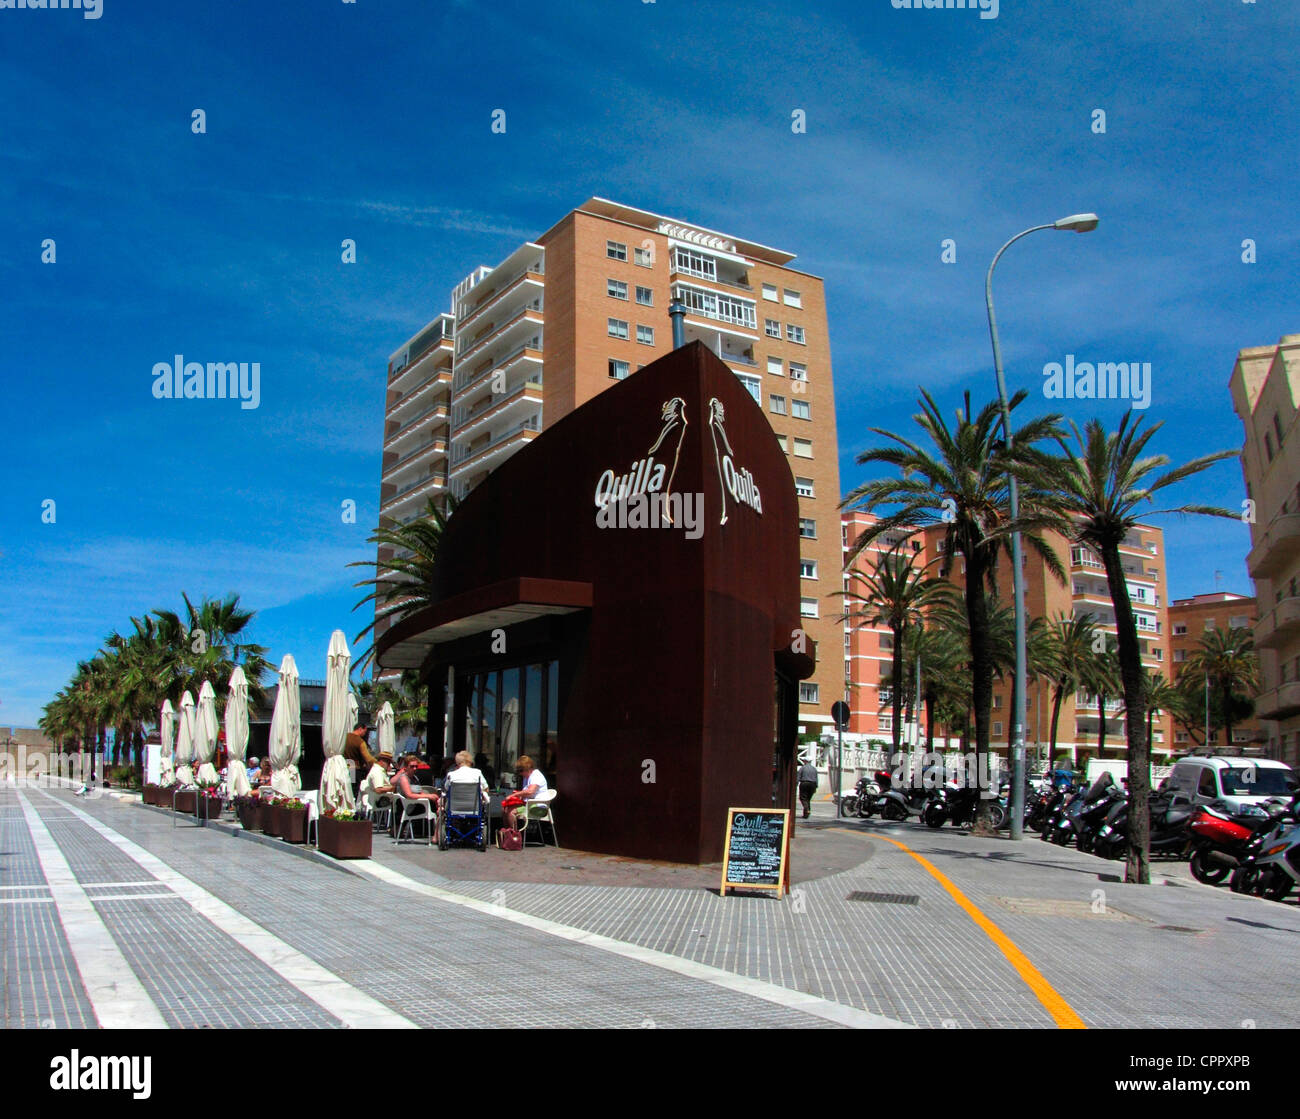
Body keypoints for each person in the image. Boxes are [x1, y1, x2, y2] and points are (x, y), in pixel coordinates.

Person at [502, 755, 548, 832]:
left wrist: (514, 795)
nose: (520, 773)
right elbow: (526, 793)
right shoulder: (527, 778)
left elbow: (530, 791)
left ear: (528, 768)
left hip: (537, 806)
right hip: (529, 803)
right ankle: (508, 833)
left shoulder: (536, 776)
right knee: (504, 808)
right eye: (518, 771)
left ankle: (514, 836)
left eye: (521, 770)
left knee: (511, 812)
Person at [343, 722, 378, 787]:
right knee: (354, 790)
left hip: (344, 766)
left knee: (346, 787)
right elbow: (368, 758)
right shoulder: (360, 741)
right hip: (355, 768)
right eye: (364, 732)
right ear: (360, 729)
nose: (365, 734)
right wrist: (378, 763)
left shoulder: (344, 737)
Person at [360, 750, 395, 815]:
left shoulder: (377, 769)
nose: (390, 765)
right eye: (388, 762)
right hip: (378, 801)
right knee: (399, 802)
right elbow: (378, 790)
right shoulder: (377, 772)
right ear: (382, 761)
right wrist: (391, 788)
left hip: (374, 799)